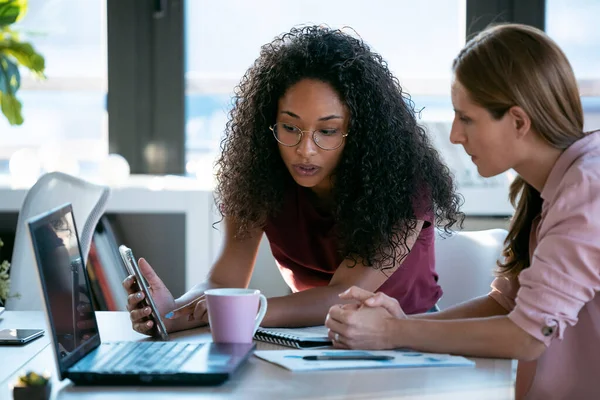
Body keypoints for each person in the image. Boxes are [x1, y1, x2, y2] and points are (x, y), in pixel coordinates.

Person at [123, 25, 462, 334]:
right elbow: (223, 280)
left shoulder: (402, 183)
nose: (305, 150)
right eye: (289, 127)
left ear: (359, 132)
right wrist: (169, 313)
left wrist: (245, 309)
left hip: (408, 335)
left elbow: (340, 298)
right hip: (307, 333)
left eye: (327, 131)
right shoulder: (259, 175)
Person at [325, 23, 600, 399]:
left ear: (519, 121)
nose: (454, 134)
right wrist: (406, 324)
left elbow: (527, 335)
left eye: (466, 118)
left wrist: (392, 333)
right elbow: (507, 302)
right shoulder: (555, 185)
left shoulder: (587, 190)